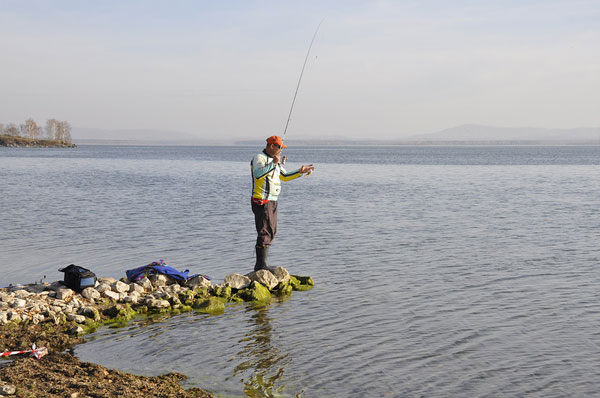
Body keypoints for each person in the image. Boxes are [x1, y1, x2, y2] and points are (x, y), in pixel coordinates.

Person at [250, 135, 314, 271]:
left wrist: (300, 172)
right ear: (272, 146)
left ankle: (263, 264)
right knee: (264, 231)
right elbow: (258, 174)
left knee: (272, 230)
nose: (281, 151)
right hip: (262, 199)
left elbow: (284, 177)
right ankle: (261, 265)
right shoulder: (259, 158)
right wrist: (273, 164)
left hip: (273, 200)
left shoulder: (275, 161)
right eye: (279, 148)